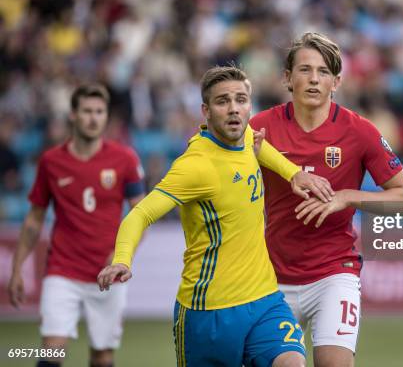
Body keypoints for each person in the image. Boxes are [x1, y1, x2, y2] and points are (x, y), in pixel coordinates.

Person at [97, 66, 334, 367]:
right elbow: (140, 213)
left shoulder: (246, 134)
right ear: (206, 111)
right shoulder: (196, 166)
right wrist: (122, 258)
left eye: (241, 99)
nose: (234, 109)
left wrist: (293, 173)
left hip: (265, 299)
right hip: (208, 314)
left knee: (292, 363)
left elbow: (258, 147)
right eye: (223, 101)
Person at [250, 32, 403, 367]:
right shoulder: (261, 128)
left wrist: (347, 197)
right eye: (305, 70)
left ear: (336, 81)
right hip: (270, 276)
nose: (314, 79)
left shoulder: (359, 131)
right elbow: (210, 151)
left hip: (334, 273)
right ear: (287, 78)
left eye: (324, 72)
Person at [8, 84, 146, 367]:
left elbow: (140, 213)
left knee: (102, 356)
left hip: (108, 272)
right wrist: (17, 267)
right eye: (87, 111)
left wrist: (122, 256)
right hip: (63, 269)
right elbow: (35, 218)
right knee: (52, 350)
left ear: (106, 116)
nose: (94, 118)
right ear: (73, 115)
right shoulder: (51, 161)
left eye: (99, 112)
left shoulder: (125, 159)